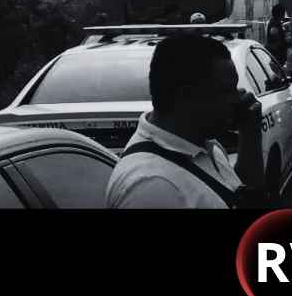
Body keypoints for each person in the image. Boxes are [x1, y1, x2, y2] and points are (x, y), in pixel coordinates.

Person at [106, 36, 264, 208]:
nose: (238, 99)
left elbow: (242, 190)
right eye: (227, 90)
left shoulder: (204, 145)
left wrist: (250, 134)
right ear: (186, 96)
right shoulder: (151, 187)